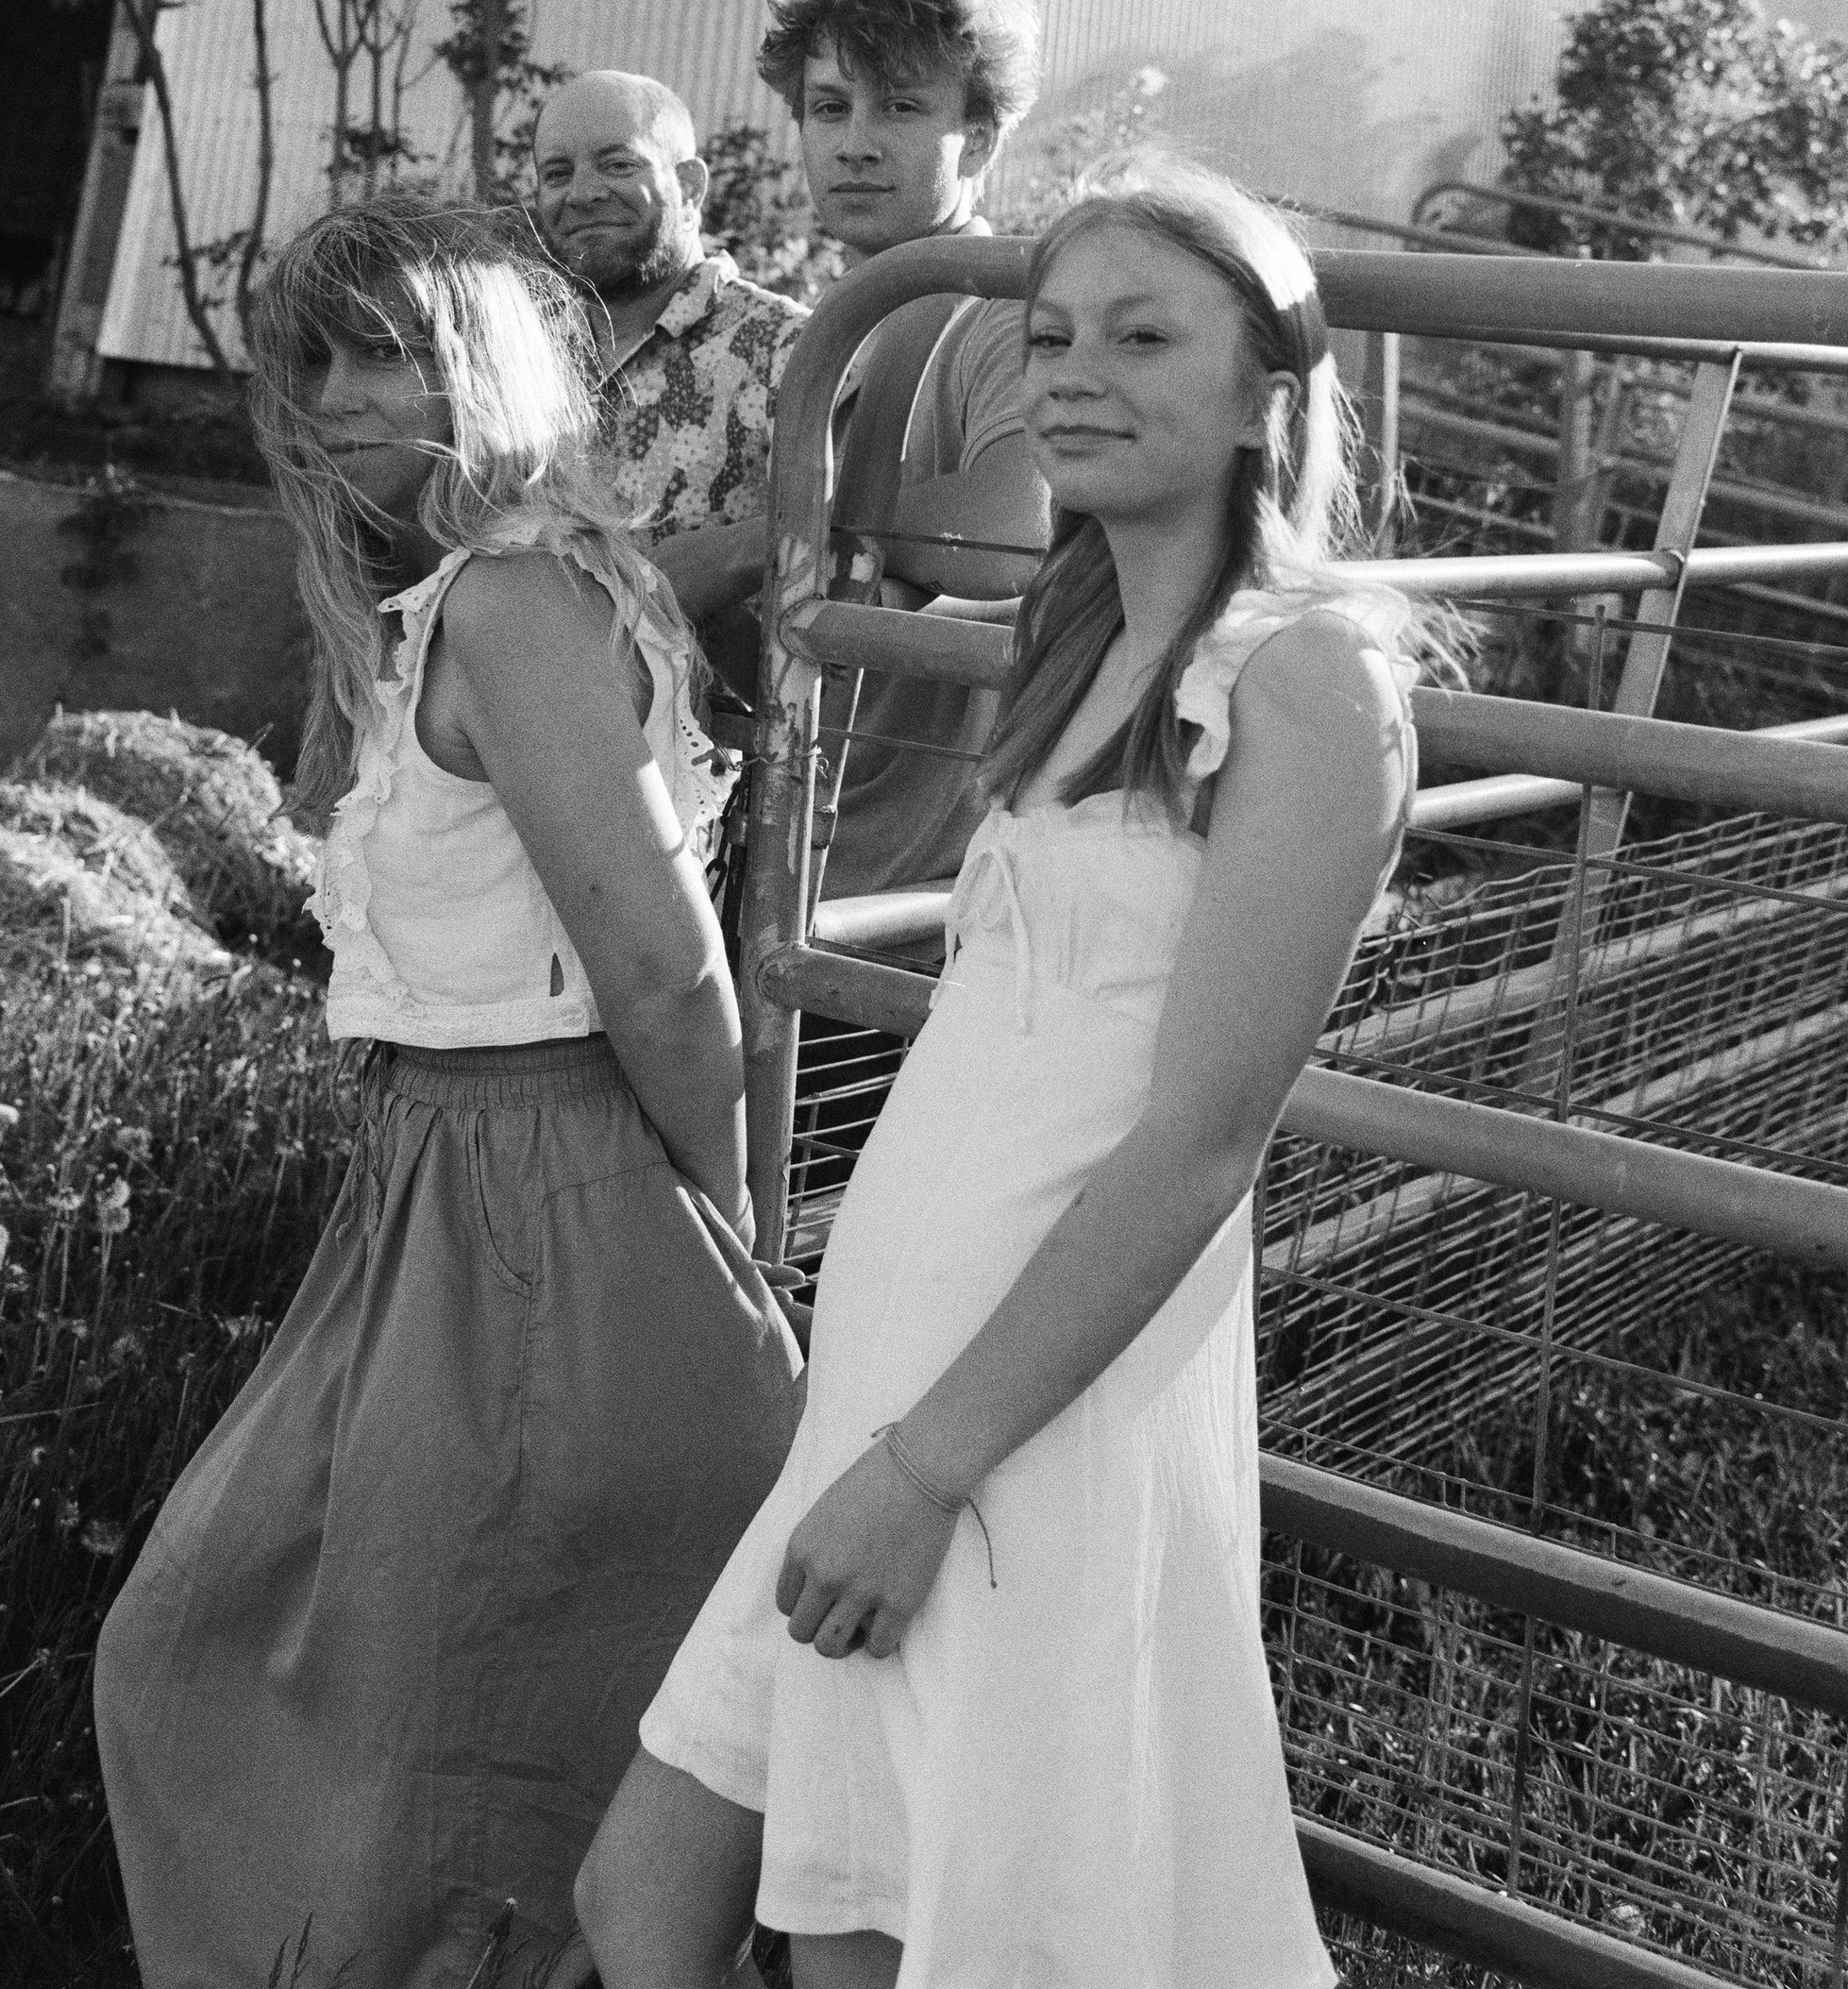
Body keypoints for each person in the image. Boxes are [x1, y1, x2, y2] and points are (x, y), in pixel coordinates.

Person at [578, 150, 1427, 1989]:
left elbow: (1197, 1140)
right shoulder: (1076, 633)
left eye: (1143, 335)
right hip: (893, 1364)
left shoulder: (1303, 680)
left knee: (884, 1935)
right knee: (642, 1896)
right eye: (1050, 336)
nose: (1076, 373)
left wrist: (930, 1464)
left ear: (1261, 395)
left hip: (1017, 1411)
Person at [95, 196, 803, 1989]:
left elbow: (662, 966)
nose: (339, 395)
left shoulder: (513, 600)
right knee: (242, 1647)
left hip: (542, 1183)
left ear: (487, 367)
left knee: (377, 1698)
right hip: (429, 1181)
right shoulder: (457, 601)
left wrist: (715, 1229)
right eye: (316, 357)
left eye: (390, 352)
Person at [755, 0, 1051, 900]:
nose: (855, 141)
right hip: (812, 841)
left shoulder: (999, 308)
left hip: (924, 889)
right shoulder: (834, 324)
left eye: (902, 106)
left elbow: (1011, 529)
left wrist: (775, 540)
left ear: (982, 136)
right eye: (828, 107)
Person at [530, 70, 805, 647]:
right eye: (557, 173)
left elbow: (849, 551)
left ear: (691, 186)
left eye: (617, 165)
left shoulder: (789, 349)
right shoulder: (519, 357)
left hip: (723, 704)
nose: (582, 193)